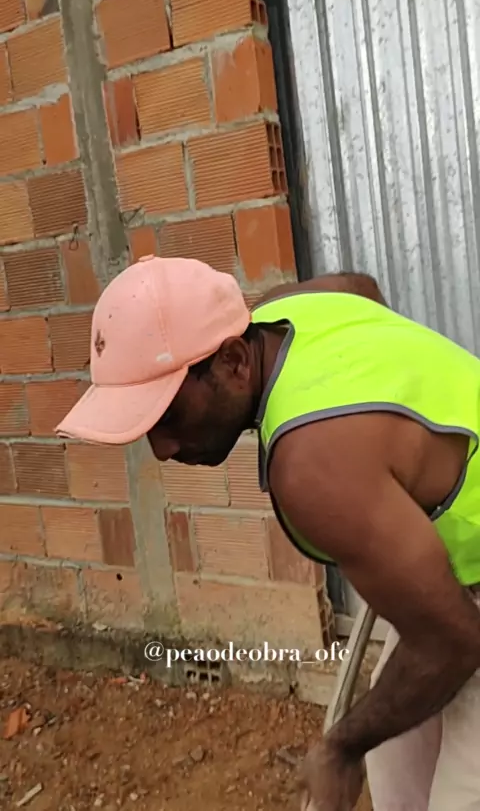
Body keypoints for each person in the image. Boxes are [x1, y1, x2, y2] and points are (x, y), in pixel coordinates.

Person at [57, 254, 480, 811]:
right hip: (453, 591)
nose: (161, 448)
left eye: (168, 416)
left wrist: (340, 750)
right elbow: (360, 288)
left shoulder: (310, 467)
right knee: (395, 767)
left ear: (234, 361)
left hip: (458, 624)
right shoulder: (284, 312)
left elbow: (453, 641)